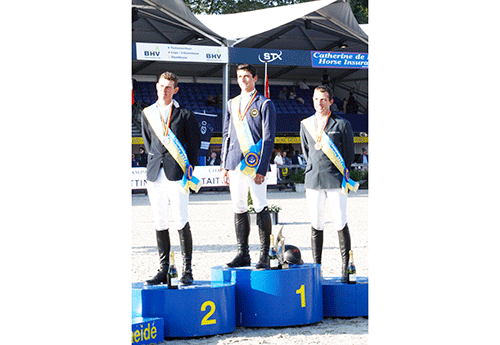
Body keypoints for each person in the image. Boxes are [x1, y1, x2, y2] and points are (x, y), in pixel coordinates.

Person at [141, 71, 201, 286]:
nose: (164, 90)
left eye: (169, 87)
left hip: (177, 174)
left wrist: (189, 167)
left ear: (175, 90)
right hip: (154, 173)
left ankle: (187, 270)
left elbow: (194, 145)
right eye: (161, 85)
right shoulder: (147, 113)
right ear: (156, 87)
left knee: (181, 220)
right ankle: (163, 269)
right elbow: (149, 144)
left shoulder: (185, 114)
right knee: (160, 221)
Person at [221, 63, 276, 269]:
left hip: (255, 166)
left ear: (255, 79)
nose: (243, 80)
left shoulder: (264, 103)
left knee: (260, 205)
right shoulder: (231, 104)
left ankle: (264, 254)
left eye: (247, 76)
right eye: (239, 76)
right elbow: (226, 135)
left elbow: (269, 138)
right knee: (239, 206)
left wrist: (262, 168)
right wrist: (224, 165)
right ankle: (242, 253)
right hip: (234, 162)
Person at [300, 85, 357, 283]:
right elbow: (307, 152)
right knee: (316, 223)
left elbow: (348, 154)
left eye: (323, 99)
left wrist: (343, 172)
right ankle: (317, 268)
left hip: (335, 179)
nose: (320, 103)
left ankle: (346, 268)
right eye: (316, 99)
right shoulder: (306, 124)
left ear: (331, 101)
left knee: (340, 221)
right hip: (313, 179)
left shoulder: (342, 124)